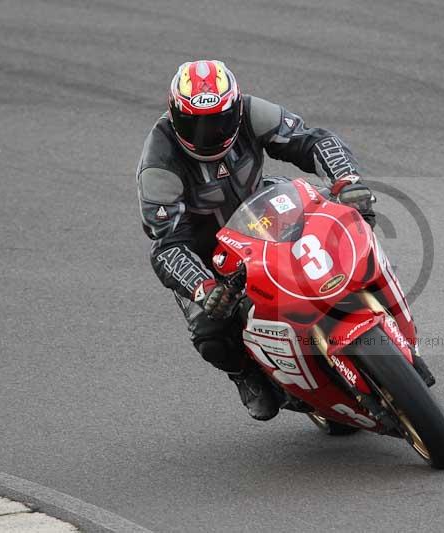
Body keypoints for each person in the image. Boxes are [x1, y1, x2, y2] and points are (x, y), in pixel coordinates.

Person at [136, 60, 375, 420]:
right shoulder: (158, 162)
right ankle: (245, 374)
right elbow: (166, 246)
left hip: (265, 207)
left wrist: (346, 180)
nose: (209, 133)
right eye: (195, 124)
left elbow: (312, 140)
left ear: (234, 107)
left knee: (345, 216)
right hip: (208, 250)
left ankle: (376, 295)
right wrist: (203, 287)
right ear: (174, 116)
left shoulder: (251, 110)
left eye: (218, 120)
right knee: (210, 330)